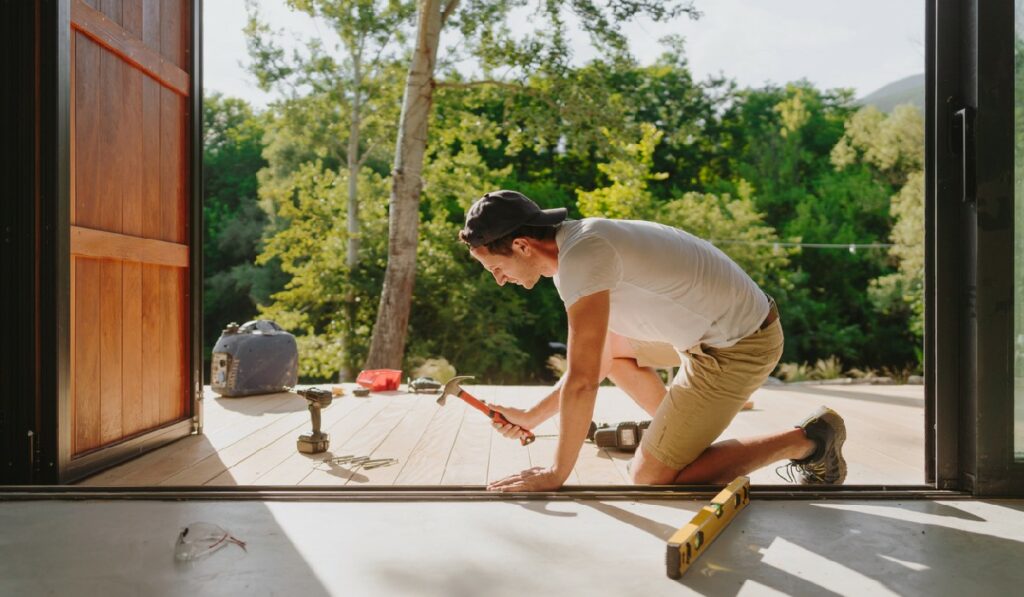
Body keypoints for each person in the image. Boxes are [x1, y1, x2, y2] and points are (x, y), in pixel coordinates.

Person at [458, 189, 847, 492]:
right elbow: (604, 359)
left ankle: (810, 440)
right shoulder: (577, 246)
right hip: (712, 330)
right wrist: (529, 417)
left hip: (739, 345)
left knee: (650, 478)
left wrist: (557, 473)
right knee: (620, 360)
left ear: (523, 246)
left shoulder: (583, 257)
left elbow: (582, 379)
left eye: (496, 267)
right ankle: (675, 435)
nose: (499, 278)